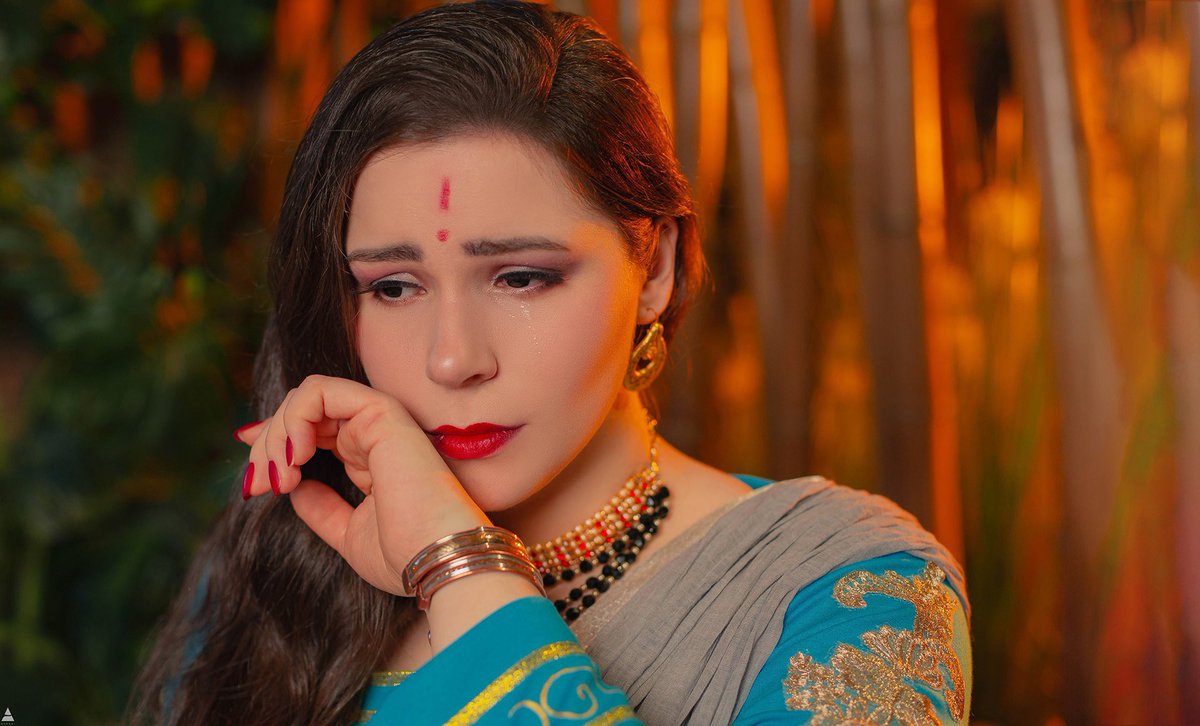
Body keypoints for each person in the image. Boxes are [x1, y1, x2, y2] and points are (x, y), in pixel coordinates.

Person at [128, 2, 971, 724]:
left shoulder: (851, 590)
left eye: (521, 277)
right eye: (392, 287)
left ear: (655, 268)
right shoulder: (286, 567)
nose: (453, 358)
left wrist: (455, 562)